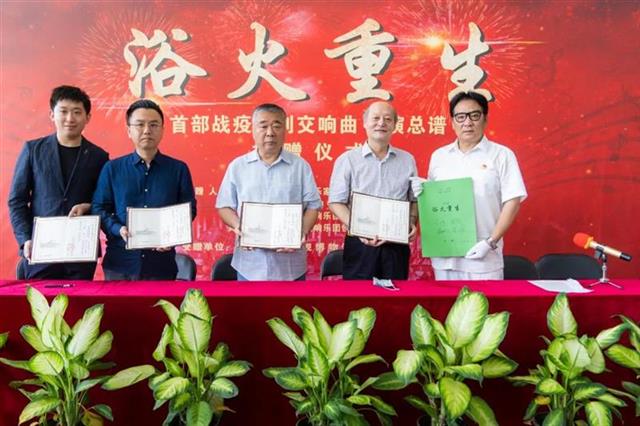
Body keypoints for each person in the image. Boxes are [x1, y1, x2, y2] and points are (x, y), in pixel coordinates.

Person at [411, 91, 527, 280]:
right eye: (460, 117)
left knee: (485, 301)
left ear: (485, 119)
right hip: (445, 256)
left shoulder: (501, 155)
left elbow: (513, 202)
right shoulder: (439, 156)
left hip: (484, 257)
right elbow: (437, 205)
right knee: (446, 301)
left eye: (474, 115)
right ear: (452, 122)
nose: (467, 122)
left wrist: (491, 242)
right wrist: (424, 193)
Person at [8, 85, 109, 279]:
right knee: (40, 299)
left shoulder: (99, 156)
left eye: (77, 112)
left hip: (81, 252)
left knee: (80, 300)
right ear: (52, 115)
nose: (70, 118)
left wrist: (88, 206)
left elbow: (104, 202)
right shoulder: (33, 150)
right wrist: (25, 239)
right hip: (41, 250)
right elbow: (17, 201)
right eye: (63, 111)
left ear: (87, 117)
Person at [92, 99, 196, 280]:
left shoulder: (178, 169)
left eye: (153, 125)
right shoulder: (112, 169)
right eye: (140, 124)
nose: (147, 130)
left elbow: (188, 210)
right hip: (120, 264)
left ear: (162, 130)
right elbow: (99, 208)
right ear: (129, 130)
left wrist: (172, 236)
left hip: (161, 264)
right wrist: (118, 229)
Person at [216, 103, 321, 281]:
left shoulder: (300, 166)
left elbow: (313, 206)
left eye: (277, 126)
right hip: (249, 265)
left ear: (285, 130)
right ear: (253, 129)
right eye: (263, 126)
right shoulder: (238, 166)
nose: (270, 132)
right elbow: (224, 206)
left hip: (290, 266)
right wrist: (238, 225)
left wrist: (300, 232)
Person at [328, 101, 418, 280]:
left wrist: (411, 222)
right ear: (364, 123)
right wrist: (358, 228)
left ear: (395, 125)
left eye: (388, 119)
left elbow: (414, 199)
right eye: (375, 118)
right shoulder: (348, 159)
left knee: (396, 294)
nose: (381, 123)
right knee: (358, 294)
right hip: (359, 243)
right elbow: (336, 202)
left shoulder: (407, 160)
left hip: (395, 243)